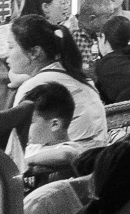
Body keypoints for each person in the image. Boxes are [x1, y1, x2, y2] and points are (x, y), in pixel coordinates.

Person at [10, 15, 105, 149]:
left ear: (34, 52)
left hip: (67, 164)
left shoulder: (33, 88)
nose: (6, 54)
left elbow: (17, 144)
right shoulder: (77, 76)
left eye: (11, 47)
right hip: (96, 158)